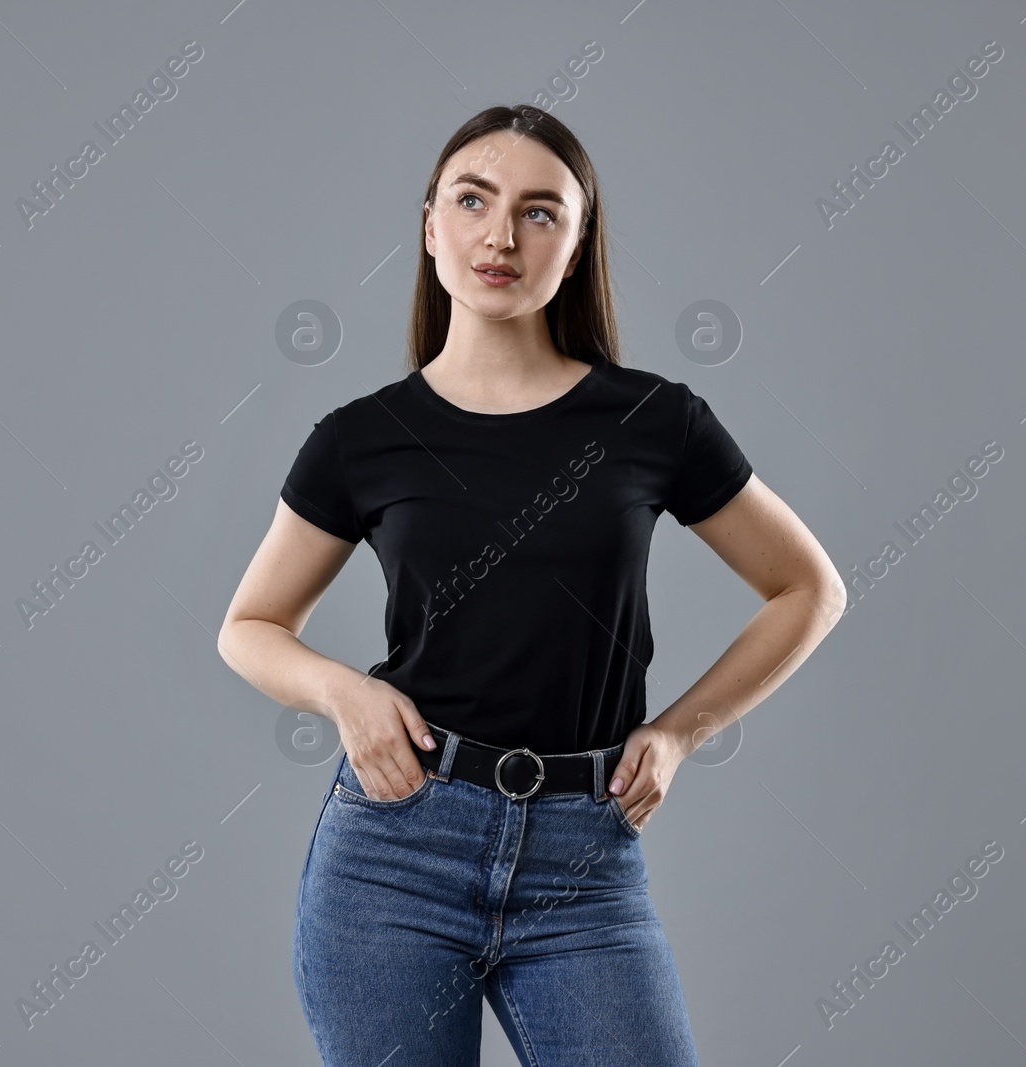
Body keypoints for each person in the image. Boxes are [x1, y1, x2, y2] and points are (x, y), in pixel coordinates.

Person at [217, 104, 846, 1067]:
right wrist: (344, 693)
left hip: (582, 862)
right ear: (432, 224)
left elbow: (808, 588)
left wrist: (679, 732)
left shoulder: (653, 421)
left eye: (540, 211)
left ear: (578, 240)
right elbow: (249, 626)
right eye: (473, 200)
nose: (500, 235)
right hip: (396, 853)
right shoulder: (361, 438)